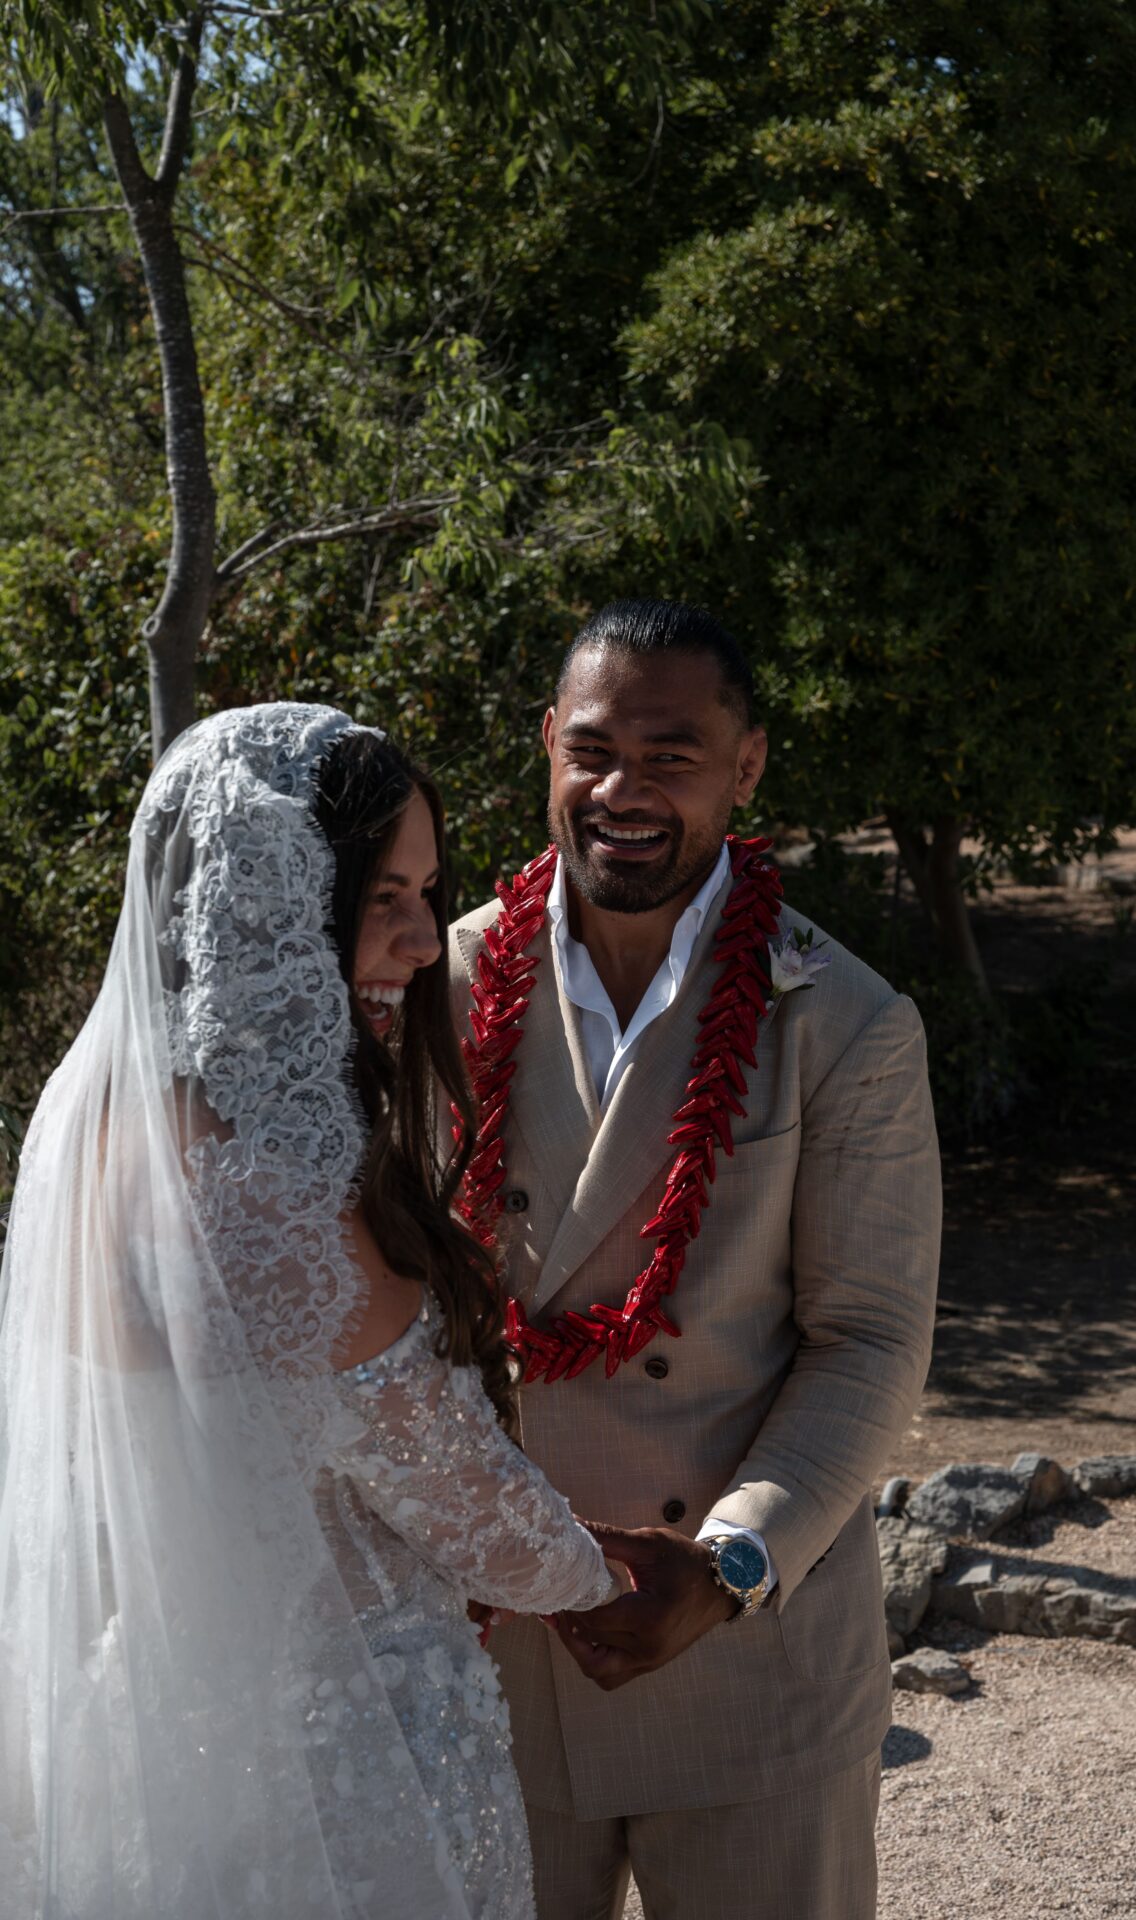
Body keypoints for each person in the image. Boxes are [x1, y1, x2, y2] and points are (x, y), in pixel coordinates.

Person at [0, 701, 613, 1920]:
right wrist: (609, 1580)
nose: (423, 937)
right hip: (339, 1785)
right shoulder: (276, 1202)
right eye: (380, 896)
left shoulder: (90, 1139)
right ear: (267, 907)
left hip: (156, 1737)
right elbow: (478, 1518)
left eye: (427, 892)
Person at [448, 601, 942, 1920]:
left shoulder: (845, 1021)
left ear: (748, 767)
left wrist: (728, 1571)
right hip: (487, 1659)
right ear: (549, 744)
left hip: (744, 1665)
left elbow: (870, 1342)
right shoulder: (436, 987)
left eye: (673, 755)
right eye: (594, 748)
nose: (623, 791)